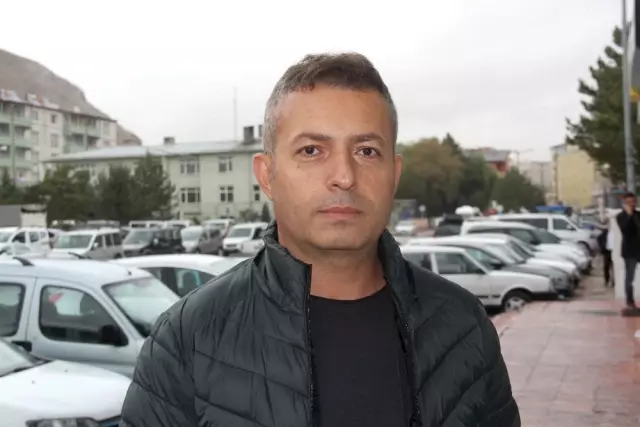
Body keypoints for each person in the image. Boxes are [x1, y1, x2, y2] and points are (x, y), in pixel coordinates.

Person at [120, 53, 520, 427]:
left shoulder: (463, 327)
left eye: (366, 151)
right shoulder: (187, 339)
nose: (344, 176)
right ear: (267, 175)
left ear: (394, 175)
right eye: (312, 150)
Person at [616, 192, 640, 309]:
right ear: (624, 203)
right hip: (630, 251)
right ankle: (630, 301)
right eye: (629, 202)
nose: (632, 204)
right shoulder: (621, 216)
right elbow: (625, 229)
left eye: (633, 202)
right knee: (630, 277)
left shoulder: (638, 215)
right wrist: (629, 216)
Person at [597, 222, 613, 287]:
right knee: (606, 266)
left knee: (614, 267)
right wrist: (602, 247)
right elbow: (599, 238)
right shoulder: (605, 233)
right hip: (607, 251)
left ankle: (614, 281)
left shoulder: (616, 233)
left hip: (614, 251)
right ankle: (607, 280)